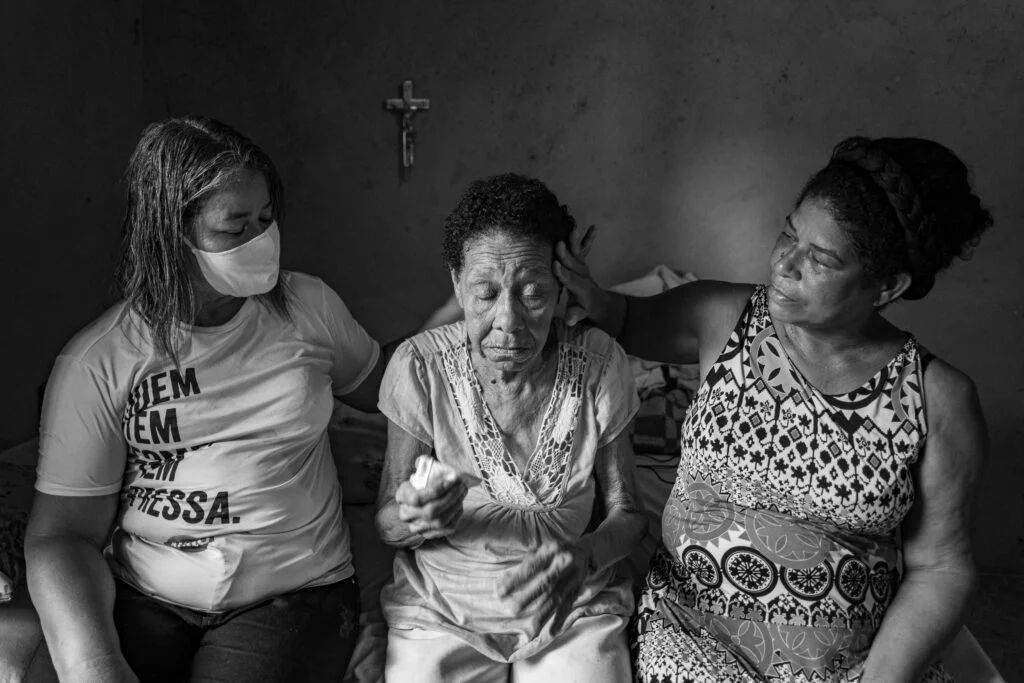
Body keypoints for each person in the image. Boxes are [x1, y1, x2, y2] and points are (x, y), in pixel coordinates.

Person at [555, 136, 992, 682]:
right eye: (788, 232)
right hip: (692, 637)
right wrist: (584, 292)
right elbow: (623, 319)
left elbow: (941, 567)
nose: (785, 263)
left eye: (822, 259)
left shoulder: (939, 399)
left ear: (887, 286)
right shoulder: (723, 315)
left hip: (851, 666)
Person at [25, 115, 399, 683]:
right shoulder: (101, 360)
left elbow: (393, 388)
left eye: (267, 220)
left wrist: (467, 320)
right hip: (147, 594)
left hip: (292, 592)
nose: (261, 240)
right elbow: (62, 535)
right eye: (236, 228)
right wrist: (93, 662)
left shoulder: (309, 308)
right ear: (171, 232)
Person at [374, 173, 648, 682]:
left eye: (534, 293)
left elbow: (628, 513)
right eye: (485, 293)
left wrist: (586, 555)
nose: (509, 321)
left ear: (562, 286)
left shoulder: (599, 363)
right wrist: (412, 517)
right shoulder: (419, 367)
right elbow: (386, 523)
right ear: (456, 282)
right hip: (442, 611)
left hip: (572, 607)